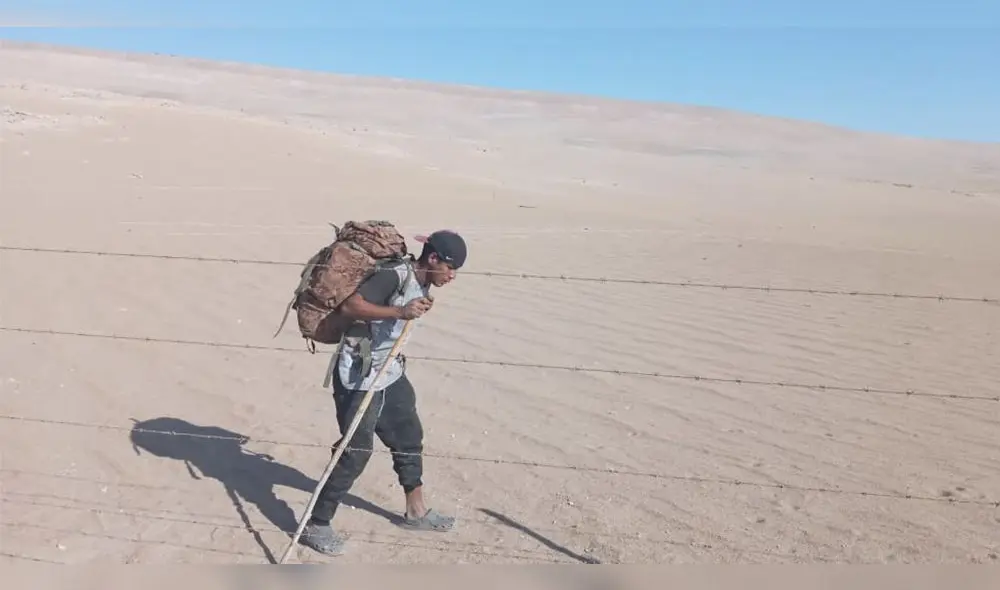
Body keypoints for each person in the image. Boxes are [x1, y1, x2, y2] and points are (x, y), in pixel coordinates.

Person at [300, 229, 468, 556]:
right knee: (356, 451)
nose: (451, 276)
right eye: (449, 267)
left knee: (408, 437)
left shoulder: (421, 283)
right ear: (432, 258)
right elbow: (352, 306)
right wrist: (400, 312)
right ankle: (316, 523)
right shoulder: (394, 275)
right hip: (359, 374)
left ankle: (416, 513)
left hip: (390, 372)